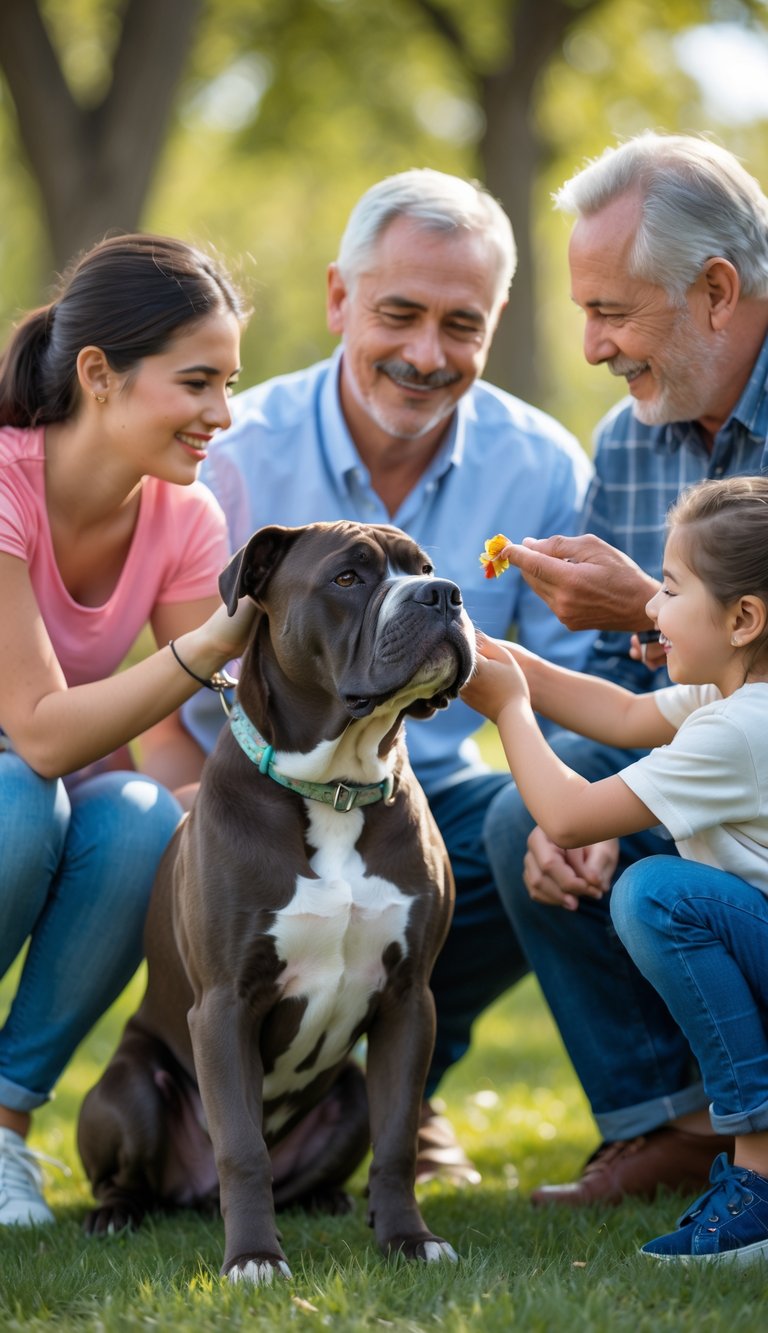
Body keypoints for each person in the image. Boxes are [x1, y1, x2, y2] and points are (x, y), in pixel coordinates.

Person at [142, 168, 595, 1184]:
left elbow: (570, 688)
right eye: (400, 313)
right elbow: (162, 675)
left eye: (461, 325)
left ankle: (411, 1089)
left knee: (526, 825)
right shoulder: (230, 454)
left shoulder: (543, 466)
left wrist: (580, 813)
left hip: (409, 799)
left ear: (496, 323)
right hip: (241, 804)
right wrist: (188, 814)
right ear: (341, 298)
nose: (427, 354)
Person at [481, 131, 768, 1204]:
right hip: (707, 761)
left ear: (715, 291)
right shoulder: (629, 440)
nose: (594, 344)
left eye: (613, 311)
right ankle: (672, 1124)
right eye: (584, 311)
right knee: (526, 820)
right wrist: (569, 796)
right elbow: (610, 672)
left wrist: (643, 600)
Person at [0, 233, 257, 1226]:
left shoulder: (183, 519)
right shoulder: (10, 486)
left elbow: (217, 717)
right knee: (28, 797)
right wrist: (214, 643)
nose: (221, 416)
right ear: (99, 374)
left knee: (152, 816)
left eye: (230, 384)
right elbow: (45, 736)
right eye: (197, 382)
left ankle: (6, 1129)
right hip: (19, 788)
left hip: (30, 784)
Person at [464, 475, 768, 1264]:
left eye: (667, 589)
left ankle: (760, 1183)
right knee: (669, 890)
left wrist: (507, 710)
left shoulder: (739, 728)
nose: (651, 610)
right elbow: (623, 713)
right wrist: (497, 657)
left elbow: (565, 815)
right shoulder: (731, 691)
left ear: (743, 618)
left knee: (657, 895)